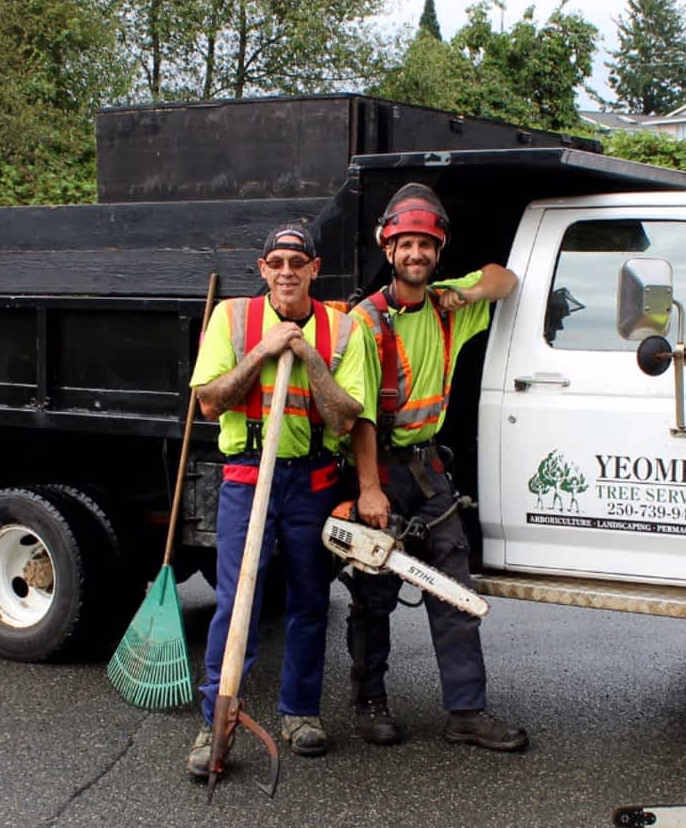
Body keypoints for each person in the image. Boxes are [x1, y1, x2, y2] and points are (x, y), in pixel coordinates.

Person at [345, 183, 528, 752]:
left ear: (438, 250)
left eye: (426, 244)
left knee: (452, 593)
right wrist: (370, 491)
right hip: (382, 472)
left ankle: (466, 712)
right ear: (388, 248)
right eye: (406, 245)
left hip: (430, 473)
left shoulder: (449, 306)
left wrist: (469, 294)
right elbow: (359, 417)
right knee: (373, 596)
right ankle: (370, 704)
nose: (416, 254)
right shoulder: (367, 322)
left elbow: (507, 278)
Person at [184, 222, 371, 778]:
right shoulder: (234, 320)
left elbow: (345, 415)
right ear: (262, 269)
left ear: (315, 269)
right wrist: (265, 350)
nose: (287, 271)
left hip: (313, 481)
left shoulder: (342, 329)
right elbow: (210, 403)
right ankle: (215, 720)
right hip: (247, 477)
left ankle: (300, 713)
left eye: (298, 261)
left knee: (310, 601)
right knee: (235, 601)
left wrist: (307, 355)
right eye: (277, 262)